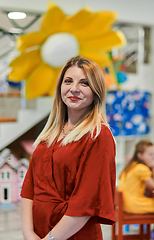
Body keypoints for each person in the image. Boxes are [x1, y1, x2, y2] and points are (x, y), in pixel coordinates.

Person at [20, 56, 116, 240]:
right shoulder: (50, 133)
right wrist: (28, 233)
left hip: (73, 234)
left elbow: (86, 202)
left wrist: (50, 239)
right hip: (37, 233)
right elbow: (29, 186)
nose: (74, 89)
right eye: (68, 81)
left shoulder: (98, 135)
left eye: (84, 83)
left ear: (96, 91)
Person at [118, 140, 154, 240]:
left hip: (124, 204)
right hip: (133, 204)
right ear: (140, 155)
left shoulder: (131, 165)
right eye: (150, 154)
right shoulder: (141, 169)